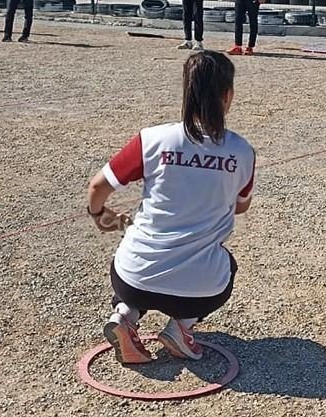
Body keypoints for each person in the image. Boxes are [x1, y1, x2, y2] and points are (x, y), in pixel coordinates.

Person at [87, 51, 256, 364]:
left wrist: (99, 214)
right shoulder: (242, 151)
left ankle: (124, 315)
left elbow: (97, 187)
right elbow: (240, 206)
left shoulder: (152, 139)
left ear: (187, 93)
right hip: (200, 289)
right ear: (227, 95)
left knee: (136, 259)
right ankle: (181, 327)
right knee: (226, 265)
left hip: (133, 280)